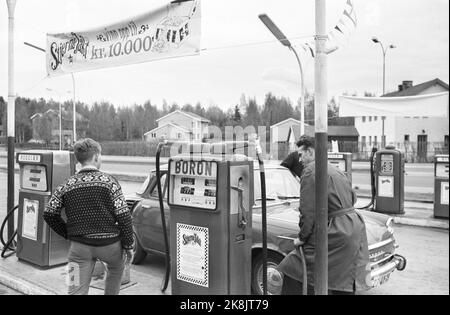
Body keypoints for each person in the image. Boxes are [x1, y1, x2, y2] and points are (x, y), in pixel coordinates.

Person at [276, 135, 371, 295]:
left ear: (311, 152)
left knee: (294, 268)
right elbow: (353, 198)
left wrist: (302, 237)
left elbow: (307, 212)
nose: (299, 160)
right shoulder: (336, 170)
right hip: (352, 228)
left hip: (335, 230)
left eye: (301, 154)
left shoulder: (310, 172)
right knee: (342, 279)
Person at [44, 138, 134, 295]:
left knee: (74, 288)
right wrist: (128, 245)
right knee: (116, 269)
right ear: (97, 156)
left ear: (78, 158)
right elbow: (124, 216)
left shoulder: (66, 185)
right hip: (111, 247)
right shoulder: (110, 182)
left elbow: (49, 213)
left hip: (78, 249)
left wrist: (68, 233)